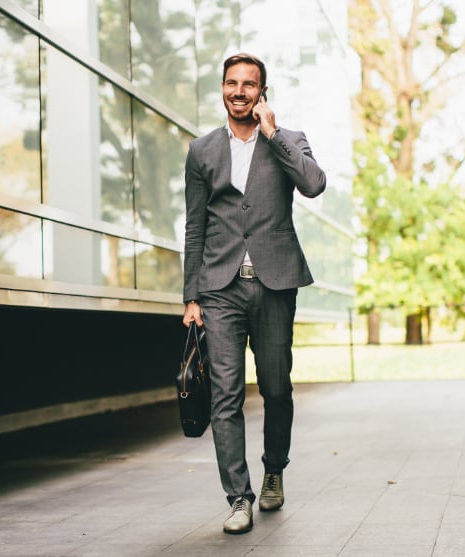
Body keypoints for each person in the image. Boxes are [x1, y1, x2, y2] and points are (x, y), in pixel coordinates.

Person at [181, 53, 326, 534]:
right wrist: (191, 297)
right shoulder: (201, 151)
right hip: (219, 289)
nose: (239, 91)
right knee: (225, 395)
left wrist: (274, 132)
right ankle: (237, 496)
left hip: (275, 283)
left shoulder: (287, 140)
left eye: (249, 84)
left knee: (277, 388)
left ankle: (274, 471)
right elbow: (195, 228)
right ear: (222, 88)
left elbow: (314, 184)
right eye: (231, 83)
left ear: (262, 91)